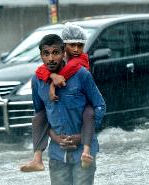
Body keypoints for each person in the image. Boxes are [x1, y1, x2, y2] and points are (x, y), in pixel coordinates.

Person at [32, 34, 106, 185]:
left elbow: (99, 106)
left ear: (64, 52)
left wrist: (82, 137)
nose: (51, 58)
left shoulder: (81, 75)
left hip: (84, 153)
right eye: (46, 54)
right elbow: (41, 114)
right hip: (57, 154)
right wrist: (55, 137)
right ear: (41, 56)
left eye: (55, 53)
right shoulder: (37, 81)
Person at [20, 23, 95, 172]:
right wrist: (52, 75)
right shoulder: (57, 61)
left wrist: (53, 84)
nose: (76, 49)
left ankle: (86, 152)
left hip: (82, 104)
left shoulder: (81, 60)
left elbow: (68, 72)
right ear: (64, 46)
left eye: (80, 45)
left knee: (89, 113)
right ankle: (37, 159)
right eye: (72, 45)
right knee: (38, 118)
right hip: (59, 117)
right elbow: (41, 70)